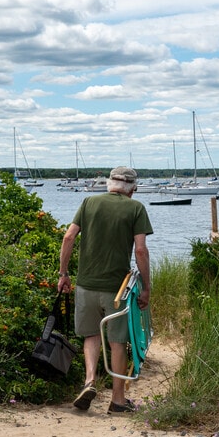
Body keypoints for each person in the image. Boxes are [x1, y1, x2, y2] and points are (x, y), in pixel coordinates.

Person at [57, 166, 152, 413]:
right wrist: (146, 288)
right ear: (133, 189)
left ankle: (89, 382)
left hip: (86, 284)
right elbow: (140, 250)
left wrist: (64, 274)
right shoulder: (136, 208)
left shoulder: (89, 202)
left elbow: (68, 238)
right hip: (117, 289)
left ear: (109, 183)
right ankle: (118, 401)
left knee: (91, 335)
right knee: (118, 341)